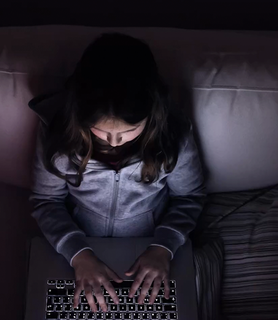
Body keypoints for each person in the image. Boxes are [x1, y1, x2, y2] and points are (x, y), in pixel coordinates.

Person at [29, 33, 205, 313]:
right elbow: (45, 201)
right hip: (78, 250)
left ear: (151, 114)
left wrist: (163, 247)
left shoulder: (174, 135)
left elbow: (189, 198)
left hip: (152, 249)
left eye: (127, 132)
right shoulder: (58, 135)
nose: (113, 142)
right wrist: (79, 254)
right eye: (101, 131)